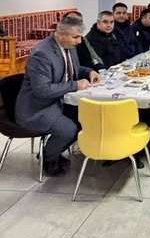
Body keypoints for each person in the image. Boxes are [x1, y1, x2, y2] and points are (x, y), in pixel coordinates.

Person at [15, 17, 100, 176]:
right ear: (60, 34)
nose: (79, 41)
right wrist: (75, 85)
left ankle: (53, 150)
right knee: (68, 129)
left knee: (85, 119)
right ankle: (49, 159)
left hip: (59, 101)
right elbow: (42, 90)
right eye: (75, 37)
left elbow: (73, 69)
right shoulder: (42, 54)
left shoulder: (69, 46)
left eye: (80, 36)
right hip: (37, 108)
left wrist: (89, 72)